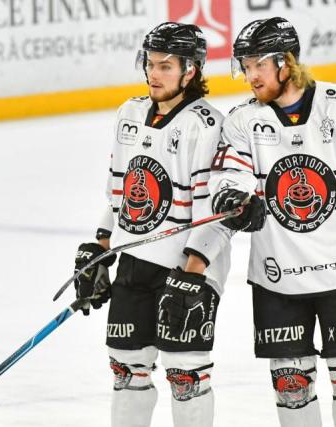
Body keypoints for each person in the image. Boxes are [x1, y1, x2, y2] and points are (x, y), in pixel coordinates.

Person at [209, 17, 336, 427]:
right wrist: (235, 198)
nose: (249, 76)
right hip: (277, 279)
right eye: (244, 67)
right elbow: (231, 174)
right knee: (291, 387)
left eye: (257, 65)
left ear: (285, 62)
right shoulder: (243, 120)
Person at [72, 22, 255, 427]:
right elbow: (119, 195)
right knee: (126, 368)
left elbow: (216, 214)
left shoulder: (207, 124)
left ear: (190, 70)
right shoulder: (129, 114)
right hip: (134, 261)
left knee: (185, 373)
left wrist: (192, 273)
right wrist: (100, 249)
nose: (154, 74)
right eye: (150, 64)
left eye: (165, 66)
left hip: (186, 269)